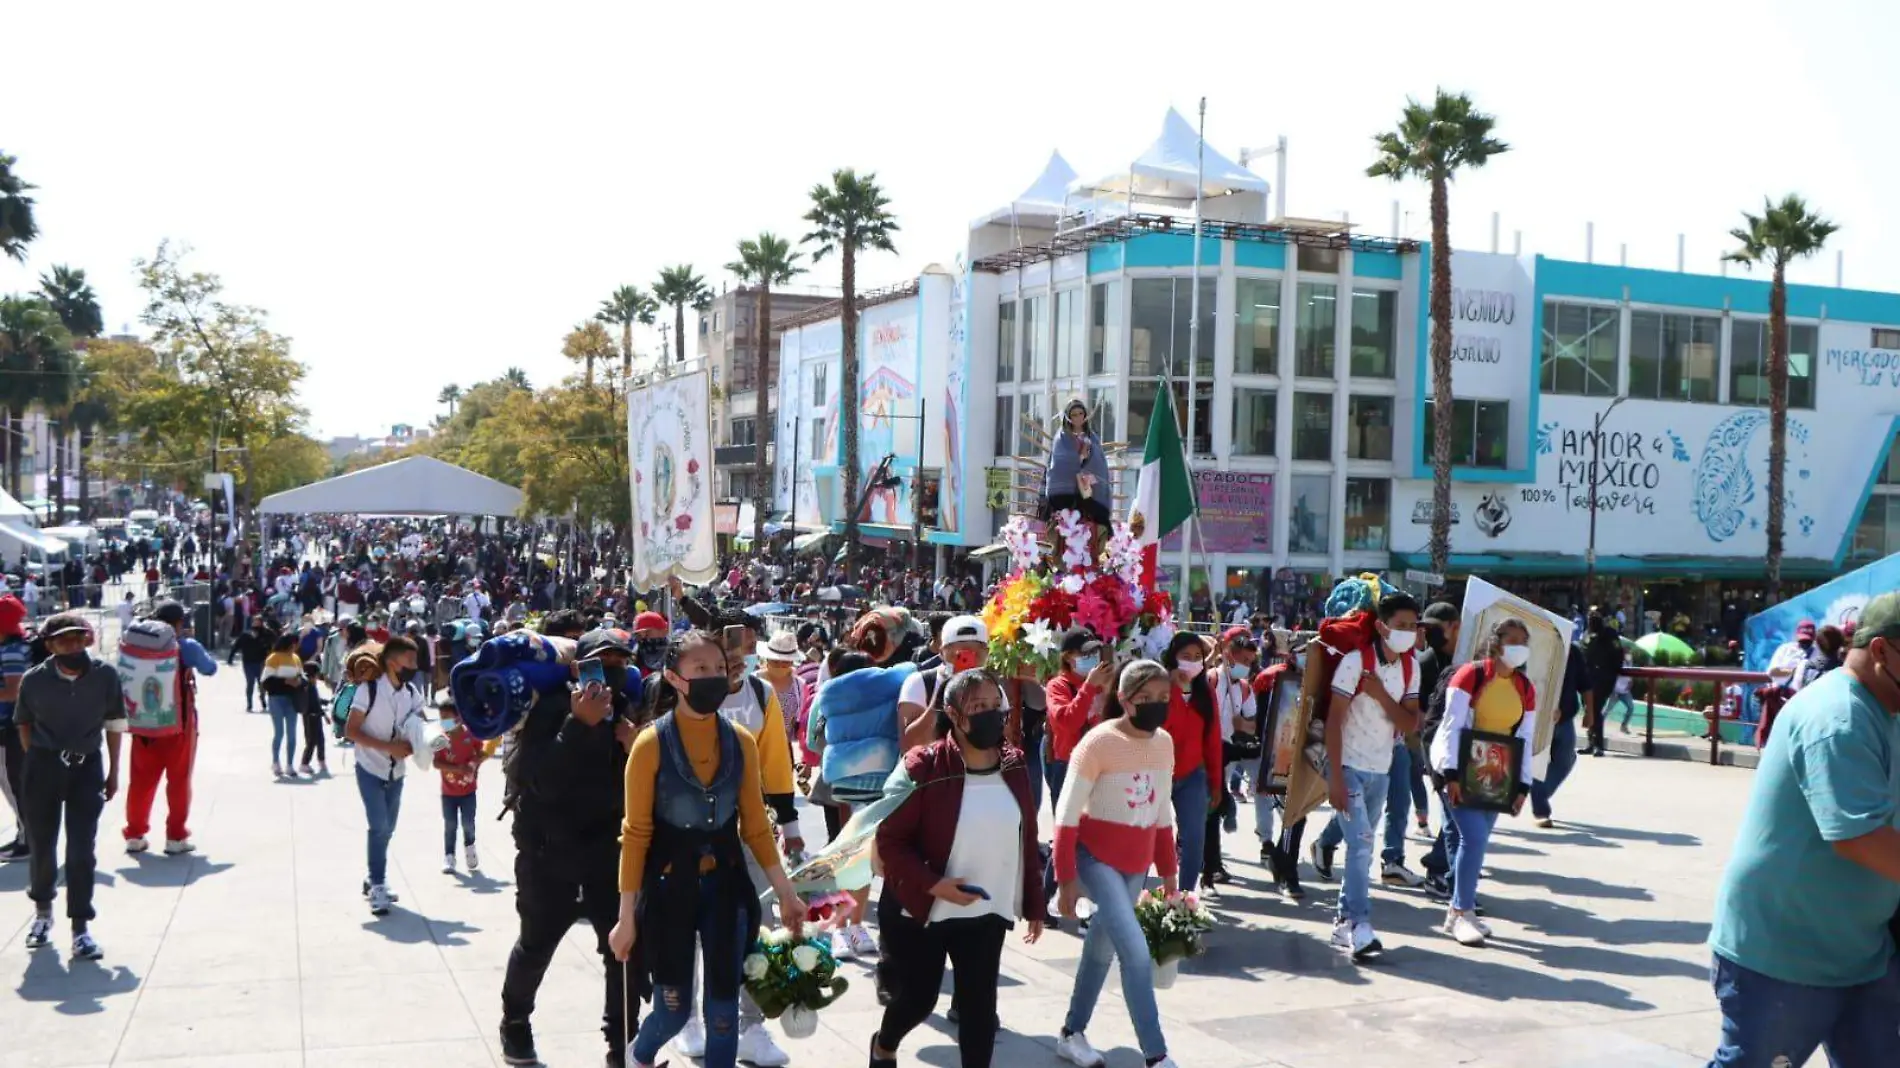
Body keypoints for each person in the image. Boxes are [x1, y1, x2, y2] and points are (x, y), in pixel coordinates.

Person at [1705, 590, 1900, 1066]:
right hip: (1783, 958)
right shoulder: (1838, 717)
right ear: (1881, 651)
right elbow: (1859, 836)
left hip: (1862, 951)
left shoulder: (1887, 710)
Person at [609, 630, 805, 1068]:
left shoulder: (741, 741)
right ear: (674, 678)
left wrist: (786, 892)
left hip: (727, 888)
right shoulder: (649, 744)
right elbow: (635, 833)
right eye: (700, 670)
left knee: (722, 1014)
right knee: (672, 1010)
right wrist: (625, 920)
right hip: (668, 890)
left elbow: (755, 827)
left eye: (719, 668)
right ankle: (638, 1058)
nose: (713, 678)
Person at [871, 668, 1045, 1068]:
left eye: (993, 705)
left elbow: (1026, 834)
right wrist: (935, 885)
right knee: (918, 999)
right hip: (921, 909)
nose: (990, 714)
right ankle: (884, 1044)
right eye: (976, 706)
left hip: (985, 911)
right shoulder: (923, 766)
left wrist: (1035, 902)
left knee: (980, 1010)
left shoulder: (1014, 764)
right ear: (952, 712)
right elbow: (889, 841)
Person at [498, 628, 639, 1068]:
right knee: (536, 946)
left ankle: (622, 1045)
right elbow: (541, 784)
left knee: (622, 952)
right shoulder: (550, 711)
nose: (611, 673)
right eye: (602, 663)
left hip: (607, 857)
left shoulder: (627, 715)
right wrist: (579, 725)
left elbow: (642, 790)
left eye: (620, 663)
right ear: (579, 667)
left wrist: (635, 748)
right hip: (548, 856)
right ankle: (515, 1024)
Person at [1051, 659, 1181, 1068]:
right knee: (1136, 953)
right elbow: (1066, 815)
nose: (1158, 705)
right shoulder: (1097, 743)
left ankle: (1072, 1033)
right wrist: (1066, 879)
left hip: (1136, 862)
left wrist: (1170, 872)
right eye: (1146, 698)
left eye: (1164, 697)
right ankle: (1156, 1054)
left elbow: (1161, 813)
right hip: (1094, 857)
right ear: (1124, 699)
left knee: (1100, 950)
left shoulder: (1164, 744)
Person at [16, 613, 123, 959]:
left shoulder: (105, 676)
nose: (73, 646)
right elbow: (24, 724)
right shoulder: (34, 680)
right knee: (43, 846)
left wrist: (113, 772)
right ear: (50, 645)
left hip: (86, 768)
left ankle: (80, 928)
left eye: (79, 639)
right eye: (64, 641)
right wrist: (39, 760)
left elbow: (114, 722)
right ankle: (43, 915)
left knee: (81, 850)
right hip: (43, 768)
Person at [1323, 591, 1421, 961]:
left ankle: (1343, 922)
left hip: (1380, 769)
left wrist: (1380, 695)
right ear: (1381, 626)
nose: (1408, 632)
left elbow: (1409, 723)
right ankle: (1359, 925)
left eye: (1413, 626)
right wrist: (1334, 778)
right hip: (1347, 765)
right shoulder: (1355, 663)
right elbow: (1334, 721)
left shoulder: (1411, 668)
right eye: (1401, 626)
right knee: (1362, 844)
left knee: (1360, 849)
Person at [1429, 618, 1537, 947]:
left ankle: (1458, 911)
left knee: (1478, 842)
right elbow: (1451, 725)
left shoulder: (1525, 687)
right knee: (1472, 838)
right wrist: (1450, 775)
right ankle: (1461, 911)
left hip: (1497, 773)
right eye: (1512, 639)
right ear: (1497, 642)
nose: (1519, 645)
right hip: (1460, 767)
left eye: (1524, 640)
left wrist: (1522, 786)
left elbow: (1525, 737)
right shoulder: (1471, 675)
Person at [123, 601, 218, 856]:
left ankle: (135, 835)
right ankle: (175, 837)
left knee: (141, 782)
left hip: (143, 725)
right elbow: (210, 668)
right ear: (179, 623)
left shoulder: (136, 643)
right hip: (179, 726)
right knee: (179, 781)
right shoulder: (185, 646)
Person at [343, 634, 426, 917]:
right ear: (392, 662)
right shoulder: (369, 690)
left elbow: (421, 729)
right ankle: (378, 884)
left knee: (387, 829)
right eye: (410, 659)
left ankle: (373, 876)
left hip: (397, 772)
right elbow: (351, 731)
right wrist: (388, 746)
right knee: (378, 826)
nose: (415, 665)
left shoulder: (413, 694)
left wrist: (444, 733)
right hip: (369, 767)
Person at [1159, 631, 1222, 894]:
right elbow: (1159, 726)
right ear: (1173, 658)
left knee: (1194, 839)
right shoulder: (1158, 688)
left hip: (1192, 775)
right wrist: (1171, 688)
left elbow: (1213, 741)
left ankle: (1184, 899)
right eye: (1186, 657)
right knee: (1151, 838)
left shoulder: (1205, 693)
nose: (1192, 662)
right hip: (1158, 774)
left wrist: (1216, 783)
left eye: (1198, 657)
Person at [1530, 638, 1592, 828]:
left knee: (1567, 760)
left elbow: (1585, 683)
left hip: (1565, 719)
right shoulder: (1532, 648)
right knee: (1538, 762)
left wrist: (1590, 712)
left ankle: (1538, 794)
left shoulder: (1572, 652)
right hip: (1537, 719)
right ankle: (1541, 810)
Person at [1041, 398, 1113, 527]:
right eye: (1074, 415)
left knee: (1096, 526)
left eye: (1081, 413)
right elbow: (1059, 466)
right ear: (1068, 418)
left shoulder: (1093, 438)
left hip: (1089, 491)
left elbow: (1099, 464)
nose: (1078, 417)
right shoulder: (1061, 438)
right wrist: (1079, 458)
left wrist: (1090, 464)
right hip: (1066, 492)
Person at [434, 692, 485, 874]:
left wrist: (474, 766)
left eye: (447, 718)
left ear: (458, 717)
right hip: (448, 793)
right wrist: (458, 769)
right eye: (441, 719)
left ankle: (470, 847)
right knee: (450, 825)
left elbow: (481, 753)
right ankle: (449, 856)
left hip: (468, 791)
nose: (443, 722)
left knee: (468, 823)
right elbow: (436, 762)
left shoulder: (470, 735)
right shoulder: (440, 739)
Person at [0, 595, 32, 861]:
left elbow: (13, 691)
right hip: (8, 729)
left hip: (9, 729)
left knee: (13, 785)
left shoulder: (11, 650)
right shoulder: (12, 646)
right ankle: (25, 835)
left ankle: (29, 840)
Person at [1582, 613, 1626, 756]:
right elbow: (1585, 653)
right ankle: (1591, 743)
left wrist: (1613, 671)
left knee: (1595, 709)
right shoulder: (1590, 636)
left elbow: (1619, 653)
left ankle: (1598, 745)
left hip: (1605, 678)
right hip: (1590, 678)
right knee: (1589, 709)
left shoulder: (1610, 634)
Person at [262, 632, 305, 777]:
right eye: (295, 643)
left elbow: (302, 676)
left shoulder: (296, 659)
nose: (297, 646)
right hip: (276, 699)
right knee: (279, 732)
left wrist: (299, 681)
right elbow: (266, 681)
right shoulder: (274, 658)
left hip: (292, 699)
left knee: (292, 733)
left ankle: (290, 764)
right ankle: (275, 762)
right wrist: (285, 681)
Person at [232, 615, 274, 713]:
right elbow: (237, 644)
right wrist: (231, 657)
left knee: (262, 683)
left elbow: (274, 640)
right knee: (250, 683)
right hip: (248, 662)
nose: (255, 623)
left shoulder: (266, 633)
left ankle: (263, 700)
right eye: (254, 621)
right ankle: (249, 704)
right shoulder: (246, 633)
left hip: (261, 662)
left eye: (258, 621)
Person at [295, 660, 328, 777]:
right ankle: (304, 763)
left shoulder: (312, 686)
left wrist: (325, 704)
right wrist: (323, 714)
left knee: (320, 740)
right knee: (311, 741)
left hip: (316, 716)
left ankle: (321, 761)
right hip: (310, 717)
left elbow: (317, 702)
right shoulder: (307, 687)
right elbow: (311, 704)